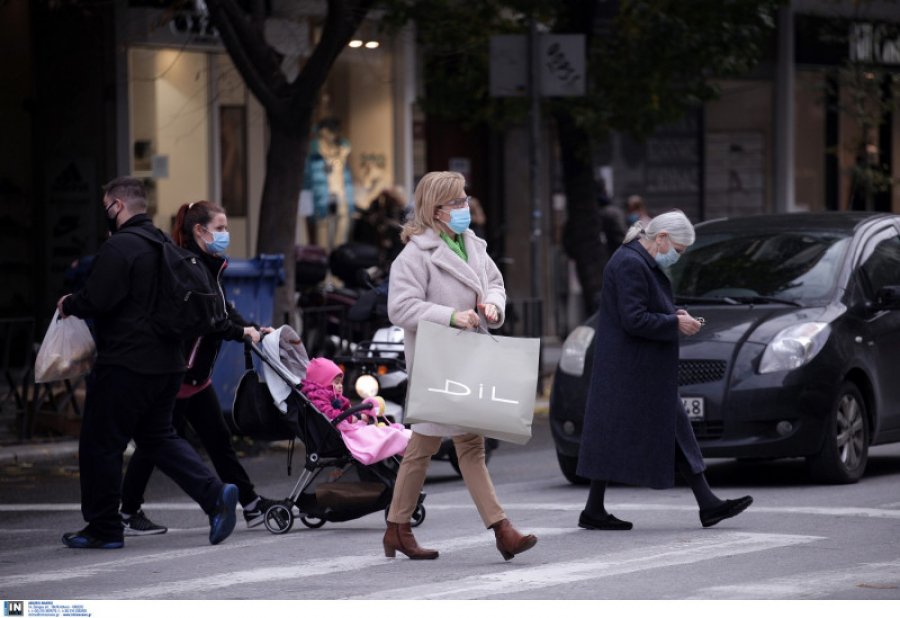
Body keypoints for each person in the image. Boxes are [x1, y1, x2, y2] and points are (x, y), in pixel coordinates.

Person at [56, 177, 238, 549]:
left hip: (126, 363)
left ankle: (104, 528)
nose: (105, 211)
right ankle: (214, 495)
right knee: (158, 437)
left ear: (117, 206)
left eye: (107, 205)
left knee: (100, 444)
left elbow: (98, 299)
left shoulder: (121, 247)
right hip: (170, 364)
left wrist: (69, 303)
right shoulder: (164, 244)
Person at [383, 170, 537, 561]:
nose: (464, 206)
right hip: (438, 362)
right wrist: (452, 316)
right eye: (456, 202)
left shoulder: (474, 245)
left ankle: (500, 531)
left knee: (467, 444)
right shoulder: (415, 255)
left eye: (465, 199)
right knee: (423, 446)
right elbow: (399, 308)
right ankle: (399, 528)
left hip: (468, 359)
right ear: (435, 211)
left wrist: (493, 306)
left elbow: (496, 285)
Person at [576, 210, 753, 530]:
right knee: (632, 431)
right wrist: (675, 322)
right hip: (634, 368)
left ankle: (597, 509)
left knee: (649, 430)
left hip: (634, 366)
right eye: (678, 250)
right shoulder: (631, 262)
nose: (676, 257)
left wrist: (672, 313)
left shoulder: (636, 260)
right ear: (661, 238)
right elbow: (633, 319)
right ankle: (705, 504)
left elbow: (640, 308)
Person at [118, 200, 278, 536]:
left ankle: (249, 503)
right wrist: (239, 332)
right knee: (155, 445)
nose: (225, 234)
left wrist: (249, 328)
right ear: (199, 231)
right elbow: (206, 320)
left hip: (196, 376)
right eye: (220, 228)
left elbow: (223, 309)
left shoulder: (208, 264)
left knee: (218, 440)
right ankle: (127, 510)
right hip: (179, 374)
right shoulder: (190, 266)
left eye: (225, 227)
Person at [300, 357, 411, 465]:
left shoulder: (331, 396)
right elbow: (329, 413)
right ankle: (396, 438)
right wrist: (354, 418)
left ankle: (396, 436)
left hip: (341, 427)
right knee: (368, 435)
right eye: (336, 383)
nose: (340, 386)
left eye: (340, 383)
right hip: (335, 433)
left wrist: (358, 415)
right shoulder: (317, 396)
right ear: (323, 381)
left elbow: (345, 409)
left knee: (371, 431)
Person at [303, 117, 354, 249]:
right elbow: (307, 180)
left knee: (342, 228)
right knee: (323, 232)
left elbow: (346, 176)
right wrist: (306, 205)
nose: (333, 134)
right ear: (323, 131)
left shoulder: (343, 150)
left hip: (341, 194)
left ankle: (339, 260)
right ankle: (325, 263)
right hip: (322, 196)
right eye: (330, 130)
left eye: (335, 131)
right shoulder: (315, 153)